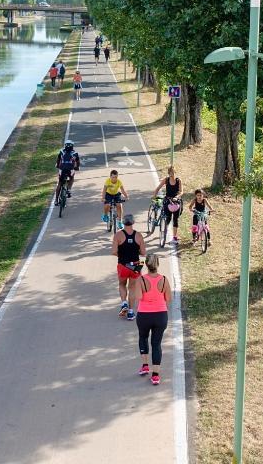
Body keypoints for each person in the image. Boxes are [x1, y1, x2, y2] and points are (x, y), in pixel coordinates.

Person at [133, 251, 172, 385]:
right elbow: (168, 298)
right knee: (156, 344)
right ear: (157, 264)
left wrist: (138, 282)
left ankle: (145, 366)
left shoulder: (141, 279)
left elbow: (138, 297)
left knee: (143, 337)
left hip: (144, 314)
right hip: (160, 315)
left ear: (146, 265)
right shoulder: (164, 280)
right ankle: (155, 375)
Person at [111, 213, 146, 321]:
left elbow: (114, 251)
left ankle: (124, 303)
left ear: (123, 222)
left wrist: (122, 255)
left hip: (123, 264)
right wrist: (135, 251)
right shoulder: (139, 235)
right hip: (136, 265)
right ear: (133, 222)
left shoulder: (118, 235)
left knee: (122, 284)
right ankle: (131, 312)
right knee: (132, 288)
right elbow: (143, 252)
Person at [152, 165, 183, 243]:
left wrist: (177, 197)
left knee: (175, 219)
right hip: (168, 200)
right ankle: (164, 231)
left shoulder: (178, 180)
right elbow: (158, 188)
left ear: (175, 172)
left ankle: (174, 237)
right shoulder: (166, 180)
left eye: (172, 172)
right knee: (168, 218)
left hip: (176, 201)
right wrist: (154, 197)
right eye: (170, 173)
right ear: (168, 173)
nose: (171, 174)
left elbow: (181, 191)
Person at [55, 139, 80, 205]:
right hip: (70, 169)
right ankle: (68, 190)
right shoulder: (75, 153)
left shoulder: (61, 151)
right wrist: (77, 167)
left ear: (65, 145)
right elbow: (78, 162)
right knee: (72, 178)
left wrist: (57, 165)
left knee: (60, 183)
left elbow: (58, 159)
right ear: (72, 146)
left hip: (62, 169)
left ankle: (56, 200)